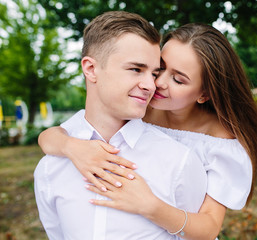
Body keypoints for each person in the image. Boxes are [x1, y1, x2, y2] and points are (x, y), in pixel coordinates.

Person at [38, 23, 257, 239]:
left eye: (178, 79)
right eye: (159, 69)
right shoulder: (139, 108)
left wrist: (148, 206)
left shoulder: (219, 141)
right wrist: (71, 147)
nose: (157, 83)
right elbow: (54, 134)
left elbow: (208, 228)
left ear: (203, 94)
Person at [34, 11, 208, 240]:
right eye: (136, 69)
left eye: (154, 73)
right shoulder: (50, 167)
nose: (150, 85)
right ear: (91, 69)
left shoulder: (179, 161)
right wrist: (66, 146)